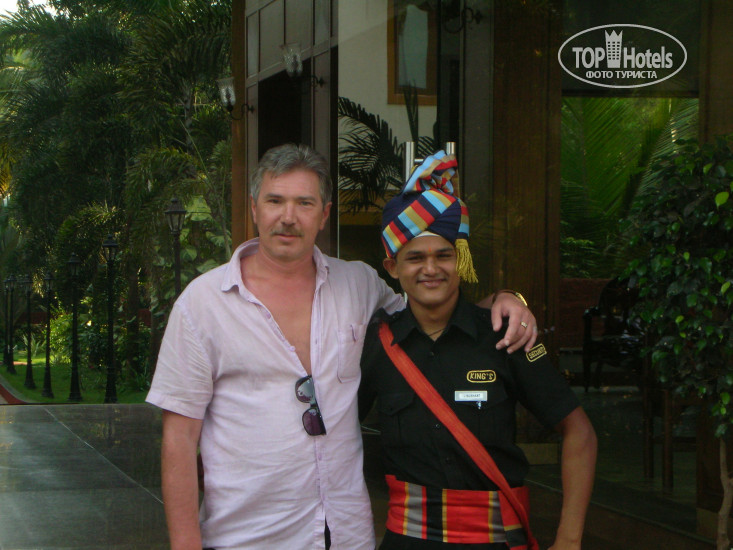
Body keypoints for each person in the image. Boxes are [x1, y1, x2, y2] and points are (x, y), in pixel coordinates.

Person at [146, 143, 538, 550]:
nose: (288, 217)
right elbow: (179, 439)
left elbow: (431, 314)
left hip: (345, 534)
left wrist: (505, 299)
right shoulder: (202, 305)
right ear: (254, 208)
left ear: (324, 214)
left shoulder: (358, 284)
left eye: (304, 203)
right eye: (275, 201)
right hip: (245, 537)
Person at [359, 151, 597, 550]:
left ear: (462, 260)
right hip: (407, 541)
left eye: (444, 255)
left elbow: (579, 432)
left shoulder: (505, 336)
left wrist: (569, 540)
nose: (430, 269)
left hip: (494, 540)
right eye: (415, 258)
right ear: (392, 267)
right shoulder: (376, 345)